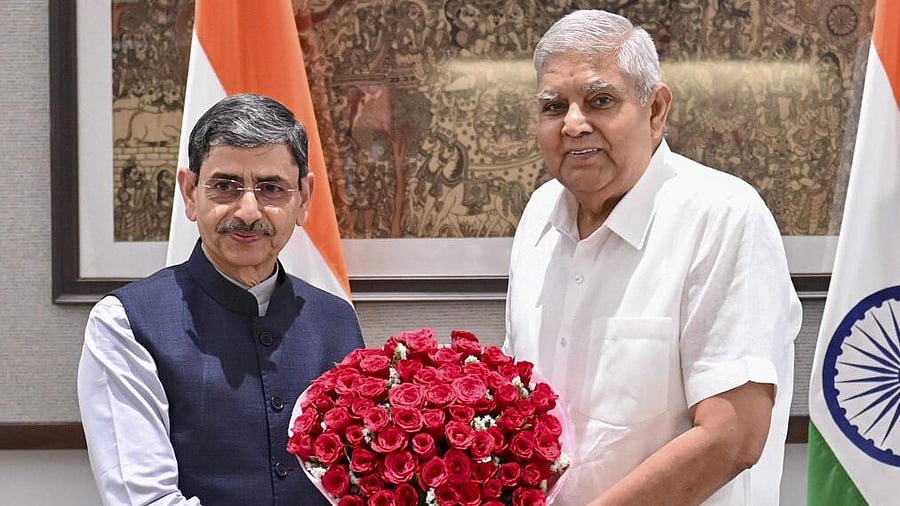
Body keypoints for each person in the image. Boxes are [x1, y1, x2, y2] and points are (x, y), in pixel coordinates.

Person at [503, 10, 801, 505]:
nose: (574, 124)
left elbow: (734, 436)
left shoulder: (721, 214)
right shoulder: (538, 216)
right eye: (554, 106)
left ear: (656, 110)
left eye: (600, 101)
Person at [78, 93, 365, 506]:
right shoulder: (125, 324)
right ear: (191, 193)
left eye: (271, 188)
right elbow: (146, 500)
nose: (248, 211)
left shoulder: (335, 319)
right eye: (225, 186)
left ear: (304, 198)